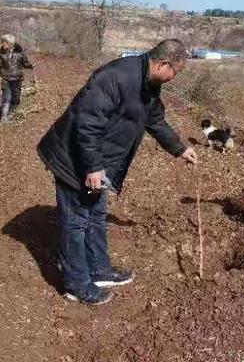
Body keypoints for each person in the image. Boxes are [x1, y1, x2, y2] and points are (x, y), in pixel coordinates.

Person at [37, 39, 198, 305]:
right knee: (76, 222)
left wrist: (179, 148)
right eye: (175, 72)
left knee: (96, 215)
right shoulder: (116, 77)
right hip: (74, 158)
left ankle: (99, 270)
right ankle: (76, 284)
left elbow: (154, 120)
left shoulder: (149, 84)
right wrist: (93, 167)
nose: (174, 78)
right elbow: (85, 123)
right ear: (163, 64)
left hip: (100, 159)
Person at [0, 34, 34, 123]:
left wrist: (31, 65)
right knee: (7, 97)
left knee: (15, 100)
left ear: (10, 43)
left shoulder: (20, 52)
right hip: (6, 79)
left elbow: (25, 63)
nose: (2, 44)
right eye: (2, 41)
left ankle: (9, 114)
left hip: (17, 79)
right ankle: (4, 117)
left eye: (4, 42)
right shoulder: (1, 52)